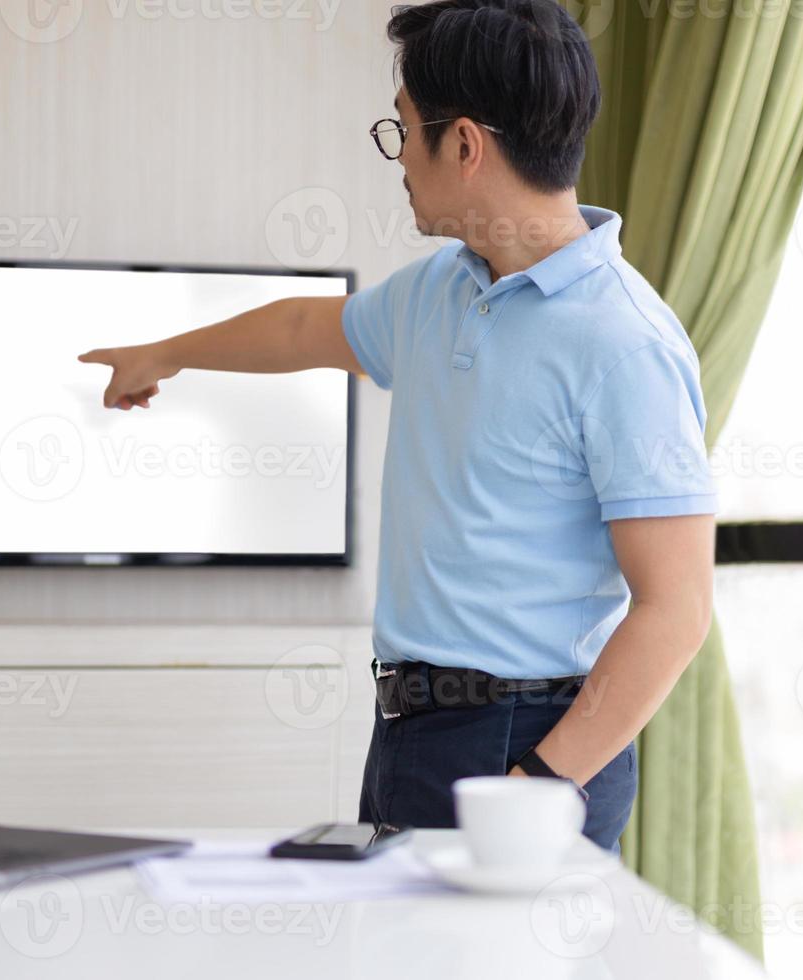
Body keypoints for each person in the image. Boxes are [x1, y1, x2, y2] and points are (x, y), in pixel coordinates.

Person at [78, 0, 716, 852]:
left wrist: (538, 786)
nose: (398, 157)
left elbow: (675, 611)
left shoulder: (624, 343)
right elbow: (307, 329)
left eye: (403, 130)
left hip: (531, 746)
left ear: (464, 145)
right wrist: (166, 352)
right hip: (411, 731)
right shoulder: (440, 291)